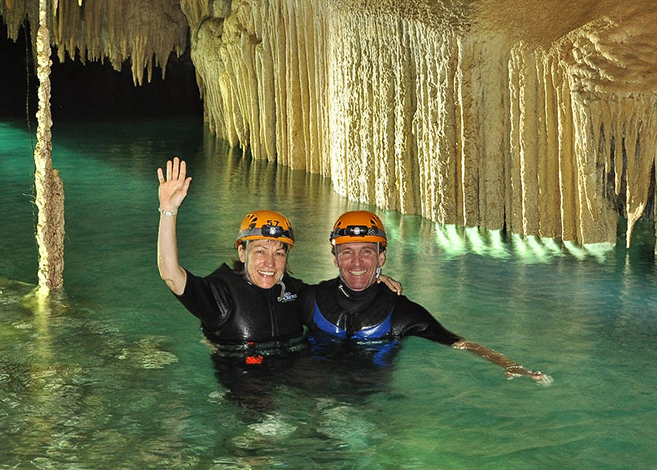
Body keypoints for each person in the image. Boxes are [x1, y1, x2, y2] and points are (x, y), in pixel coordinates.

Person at [302, 210, 552, 384]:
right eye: (347, 252)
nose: (357, 262)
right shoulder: (311, 299)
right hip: (310, 391)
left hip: (367, 397)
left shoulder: (401, 313)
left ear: (381, 257)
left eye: (366, 251)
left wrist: (509, 364)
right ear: (335, 258)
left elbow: (457, 342)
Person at [157, 157, 305, 359]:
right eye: (260, 251)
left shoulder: (294, 291)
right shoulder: (221, 295)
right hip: (242, 374)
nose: (270, 263)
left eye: (278, 253)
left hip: (289, 369)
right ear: (242, 253)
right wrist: (168, 211)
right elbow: (171, 275)